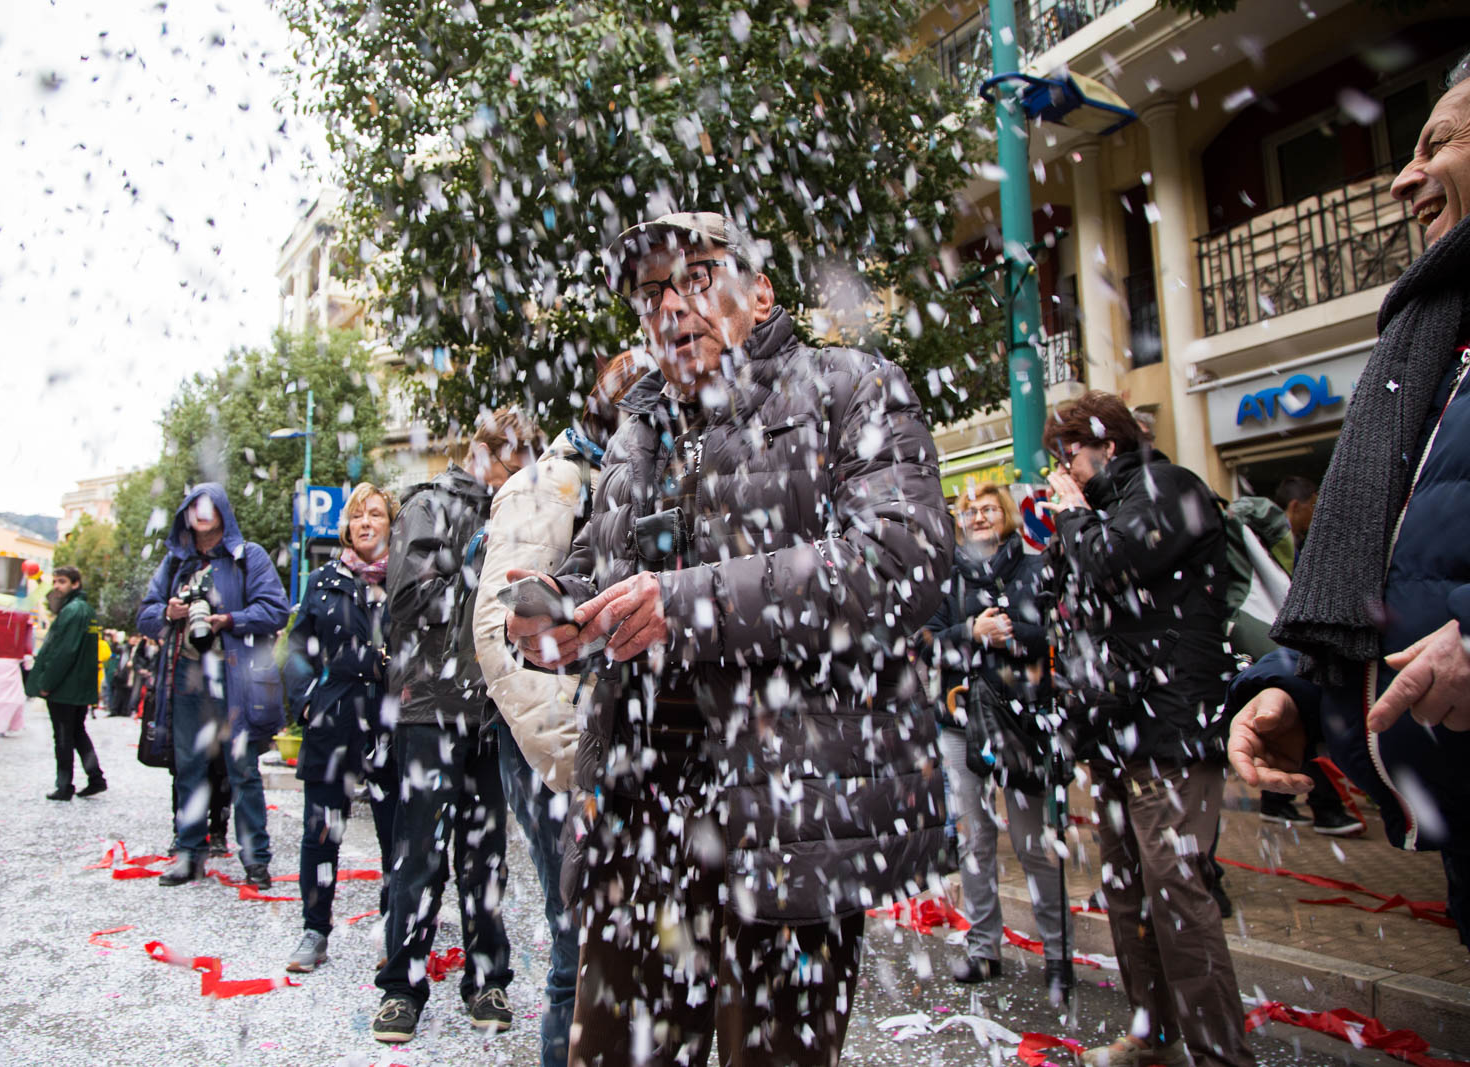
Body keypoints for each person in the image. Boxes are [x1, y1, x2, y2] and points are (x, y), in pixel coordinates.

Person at [506, 212, 951, 1067]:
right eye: (650, 293)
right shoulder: (637, 434)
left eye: (697, 277)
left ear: (762, 289)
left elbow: (903, 561)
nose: (671, 306)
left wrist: (691, 604)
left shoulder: (848, 385)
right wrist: (556, 617)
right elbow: (608, 579)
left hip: (786, 817)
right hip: (638, 829)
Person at [1228, 55, 1470, 951]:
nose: (1405, 176)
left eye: (1436, 142)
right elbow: (1402, 557)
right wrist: (1294, 685)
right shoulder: (1435, 345)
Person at [1041, 392, 1252, 1067]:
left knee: (1178, 894)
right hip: (1117, 728)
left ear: (1104, 442)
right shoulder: (1100, 509)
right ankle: (1153, 1032)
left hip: (1171, 726)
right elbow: (1061, 592)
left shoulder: (1169, 486)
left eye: (1067, 452)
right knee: (1130, 892)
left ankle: (1220, 1054)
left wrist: (1074, 515)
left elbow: (1112, 562)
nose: (1062, 468)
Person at [472, 351, 654, 1067]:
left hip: (599, 743)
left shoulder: (617, 475)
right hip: (554, 748)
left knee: (610, 942)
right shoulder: (547, 484)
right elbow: (499, 627)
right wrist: (568, 757)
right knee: (577, 945)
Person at [370, 407, 539, 1045]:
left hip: (491, 707)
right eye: (507, 463)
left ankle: (488, 977)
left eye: (522, 467)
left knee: (486, 853)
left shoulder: (517, 509)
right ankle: (400, 986)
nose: (513, 476)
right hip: (430, 704)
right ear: (481, 451)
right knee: (418, 853)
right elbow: (406, 604)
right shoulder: (428, 505)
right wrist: (473, 573)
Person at [924, 483, 1073, 1001]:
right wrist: (970, 630)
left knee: (1034, 845)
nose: (979, 517)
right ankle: (983, 950)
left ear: (1006, 517)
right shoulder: (948, 581)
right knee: (974, 842)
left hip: (1019, 725)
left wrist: (1007, 634)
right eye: (971, 511)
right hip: (959, 726)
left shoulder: (1032, 571)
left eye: (989, 509)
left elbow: (1051, 633)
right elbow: (925, 642)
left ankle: (1059, 954)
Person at [137, 483, 290, 890]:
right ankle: (189, 854)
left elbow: (275, 609)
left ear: (223, 511)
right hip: (186, 678)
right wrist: (168, 613)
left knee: (242, 770)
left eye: (209, 505)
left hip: (234, 678)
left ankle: (256, 859)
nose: (200, 512)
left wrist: (228, 620)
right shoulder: (175, 565)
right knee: (187, 767)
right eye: (192, 506)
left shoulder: (248, 557)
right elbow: (145, 615)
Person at [282, 483, 398, 974]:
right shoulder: (326, 577)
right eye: (357, 516)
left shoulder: (406, 576)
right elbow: (296, 648)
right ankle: (315, 929)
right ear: (347, 527)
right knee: (321, 831)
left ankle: (395, 929)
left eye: (375, 514)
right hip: (333, 715)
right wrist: (306, 701)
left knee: (396, 832)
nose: (365, 523)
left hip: (391, 718)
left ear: (392, 522)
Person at [26, 566, 106, 801]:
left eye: (62, 581)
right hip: (79, 685)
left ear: (75, 584)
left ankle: (64, 785)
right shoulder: (85, 610)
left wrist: (47, 683)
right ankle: (95, 777)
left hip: (66, 688)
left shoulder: (72, 611)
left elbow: (63, 652)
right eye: (55, 581)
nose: (57, 586)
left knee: (63, 737)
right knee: (77, 732)